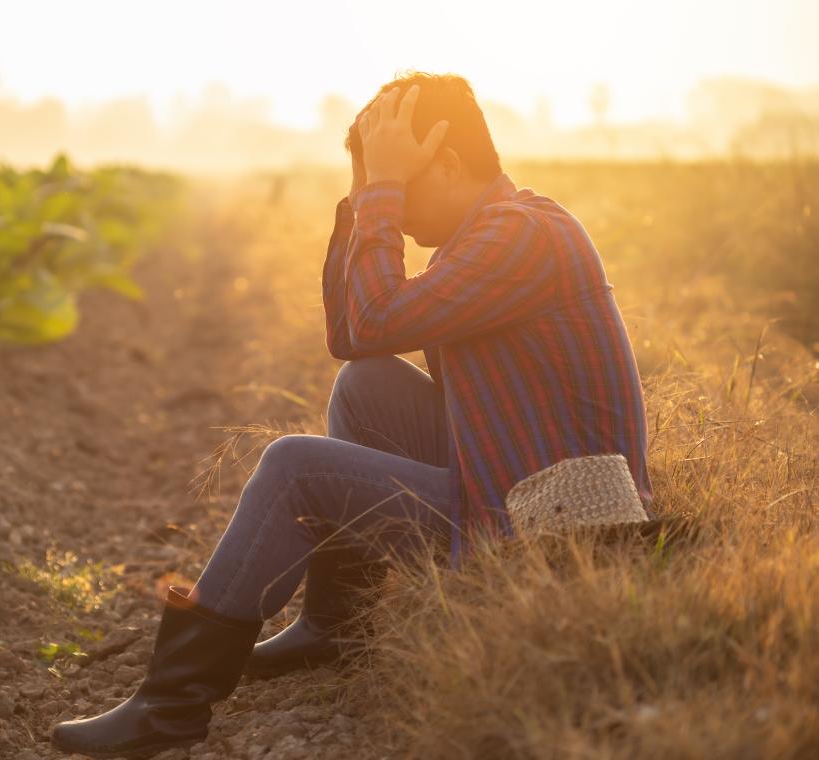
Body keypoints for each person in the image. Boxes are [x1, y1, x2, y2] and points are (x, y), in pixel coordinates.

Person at [50, 72, 654, 758]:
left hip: (550, 526)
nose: (384, 202)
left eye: (396, 182)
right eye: (374, 185)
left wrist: (379, 198)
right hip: (507, 478)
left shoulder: (522, 236)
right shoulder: (483, 232)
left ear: (449, 163)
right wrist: (372, 190)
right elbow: (351, 337)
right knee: (364, 385)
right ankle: (334, 624)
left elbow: (372, 318)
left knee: (293, 467)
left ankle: (170, 704)